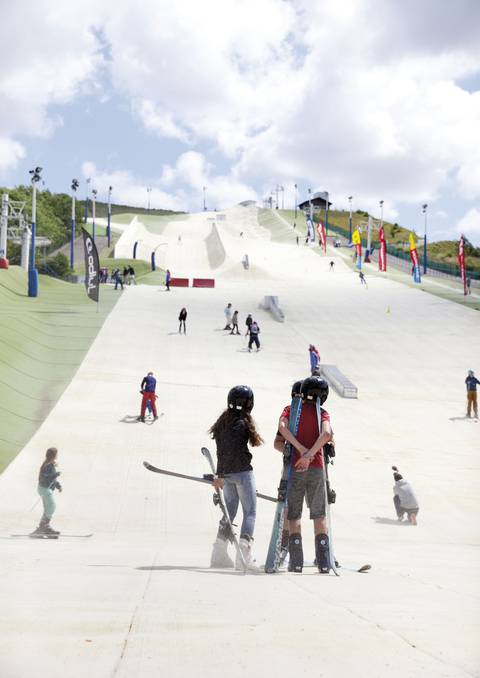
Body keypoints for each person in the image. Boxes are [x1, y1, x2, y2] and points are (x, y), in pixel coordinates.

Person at [277, 376, 333, 573]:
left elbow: (282, 428)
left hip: (296, 467)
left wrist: (300, 449)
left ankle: (297, 562)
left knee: (294, 515)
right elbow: (326, 434)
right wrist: (310, 454)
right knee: (319, 514)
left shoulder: (291, 410)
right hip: (316, 466)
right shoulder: (323, 414)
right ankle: (325, 562)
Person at [209, 385, 264, 570]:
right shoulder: (242, 423)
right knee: (250, 512)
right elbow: (233, 450)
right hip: (242, 473)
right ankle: (244, 557)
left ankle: (219, 553)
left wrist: (220, 475)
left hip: (227, 475)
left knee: (229, 511)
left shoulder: (221, 423)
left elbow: (221, 452)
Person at [31, 447, 62, 537]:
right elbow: (45, 478)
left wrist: (58, 485)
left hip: (45, 489)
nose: (57, 455)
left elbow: (52, 479)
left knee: (48, 508)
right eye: (57, 454)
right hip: (44, 489)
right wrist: (55, 475)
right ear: (53, 455)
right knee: (52, 507)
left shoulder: (50, 464)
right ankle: (43, 528)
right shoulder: (47, 465)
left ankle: (43, 528)